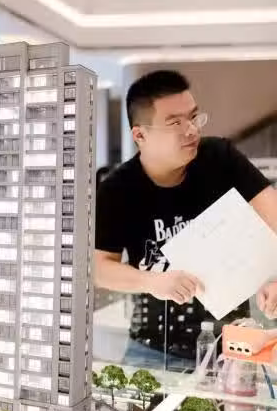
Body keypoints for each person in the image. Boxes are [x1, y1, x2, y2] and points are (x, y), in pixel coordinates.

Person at [94, 70, 277, 368]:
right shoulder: (118, 188)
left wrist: (275, 277)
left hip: (232, 345)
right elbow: (99, 267)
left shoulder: (219, 158)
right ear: (140, 135)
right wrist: (152, 281)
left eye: (193, 117)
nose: (191, 130)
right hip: (153, 348)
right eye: (175, 123)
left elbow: (274, 215)